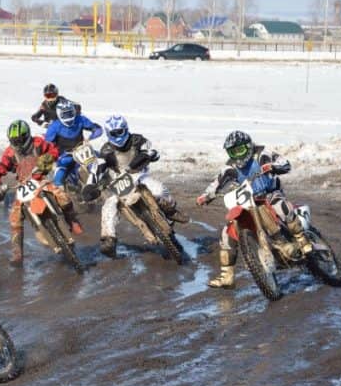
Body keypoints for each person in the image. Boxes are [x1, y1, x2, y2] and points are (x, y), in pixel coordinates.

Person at [196, 130, 313, 289]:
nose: (237, 155)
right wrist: (206, 195)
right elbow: (217, 182)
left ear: (249, 146)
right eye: (232, 152)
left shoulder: (262, 154)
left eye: (240, 150)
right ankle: (227, 275)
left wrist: (272, 166)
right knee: (227, 231)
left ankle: (301, 238)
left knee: (279, 205)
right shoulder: (230, 167)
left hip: (270, 193)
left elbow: (284, 163)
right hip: (249, 201)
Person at [0, 120, 84, 266]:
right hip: (23, 185)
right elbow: (0, 169)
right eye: (14, 141)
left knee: (62, 196)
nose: (18, 143)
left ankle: (72, 221)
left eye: (20, 140)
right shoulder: (10, 153)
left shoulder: (37, 143)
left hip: (41, 179)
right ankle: (17, 253)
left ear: (27, 136)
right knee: (15, 217)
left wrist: (48, 157)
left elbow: (54, 150)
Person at [93, 115, 188, 257]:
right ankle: (108, 239)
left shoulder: (137, 140)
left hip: (139, 176)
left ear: (126, 129)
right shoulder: (106, 150)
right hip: (118, 183)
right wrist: (93, 184)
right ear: (108, 133)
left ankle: (171, 210)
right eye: (114, 133)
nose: (118, 135)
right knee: (109, 205)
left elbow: (150, 150)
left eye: (120, 131)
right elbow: (98, 167)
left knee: (159, 189)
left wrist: (151, 155)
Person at [45, 98, 102, 191]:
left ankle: (102, 182)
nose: (68, 117)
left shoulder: (80, 119)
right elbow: (47, 144)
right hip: (64, 155)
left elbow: (98, 129)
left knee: (99, 158)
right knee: (60, 172)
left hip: (82, 150)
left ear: (74, 111)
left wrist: (90, 138)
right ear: (59, 114)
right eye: (65, 114)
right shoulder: (54, 127)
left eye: (70, 113)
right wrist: (53, 153)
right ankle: (59, 191)